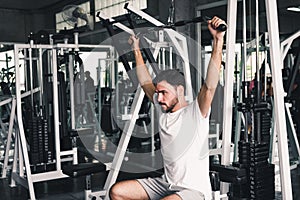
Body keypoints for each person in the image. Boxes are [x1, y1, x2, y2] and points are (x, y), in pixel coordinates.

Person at [109, 16, 226, 200]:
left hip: (193, 191)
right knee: (117, 192)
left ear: (180, 91)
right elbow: (145, 80)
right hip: (166, 184)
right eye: (158, 93)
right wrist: (136, 48)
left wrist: (218, 40)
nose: (159, 97)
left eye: (164, 92)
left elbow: (210, 85)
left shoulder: (195, 112)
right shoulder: (162, 108)